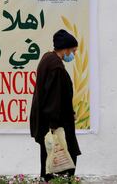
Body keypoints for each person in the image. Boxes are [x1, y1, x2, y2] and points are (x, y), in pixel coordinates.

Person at [30, 29, 81, 182]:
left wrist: (69, 111)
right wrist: (54, 125)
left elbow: (56, 94)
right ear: (65, 49)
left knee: (48, 158)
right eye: (73, 50)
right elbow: (54, 98)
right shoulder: (56, 67)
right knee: (64, 155)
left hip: (49, 121)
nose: (74, 54)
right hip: (55, 123)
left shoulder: (48, 58)